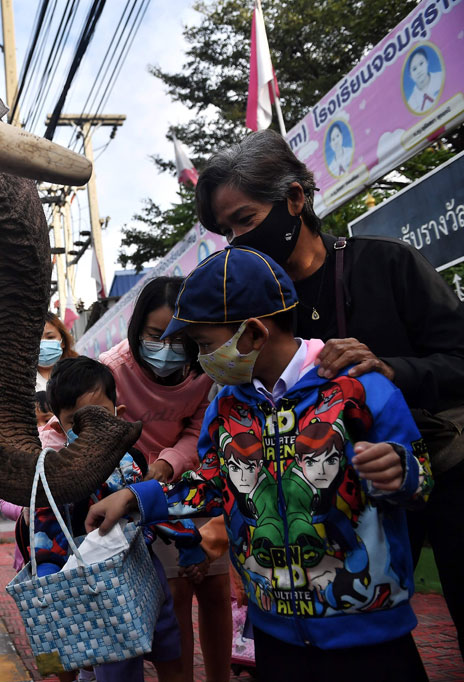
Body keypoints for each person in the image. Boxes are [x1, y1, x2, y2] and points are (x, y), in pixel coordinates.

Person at [87, 246, 433, 681]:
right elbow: (208, 485)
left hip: (370, 633)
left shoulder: (361, 387)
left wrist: (400, 472)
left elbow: (421, 479)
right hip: (274, 633)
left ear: (252, 333)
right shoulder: (225, 409)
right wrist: (135, 498)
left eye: (204, 344)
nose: (199, 359)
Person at [195, 128, 464, 659]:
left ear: (295, 198)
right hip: (336, 506)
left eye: (245, 220)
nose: (238, 240)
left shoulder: (386, 265)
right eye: (227, 232)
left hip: (440, 466)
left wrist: (391, 369)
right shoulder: (256, 305)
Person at [98, 277, 230, 682]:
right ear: (137, 327)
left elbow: (199, 428)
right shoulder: (111, 370)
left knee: (216, 589)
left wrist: (170, 463)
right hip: (140, 496)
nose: (167, 348)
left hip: (193, 484)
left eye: (179, 338)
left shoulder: (204, 367)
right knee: (174, 597)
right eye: (156, 336)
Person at [29, 357, 187, 682]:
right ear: (58, 427)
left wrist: (189, 542)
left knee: (169, 644)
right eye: (76, 422)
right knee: (116, 664)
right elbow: (45, 527)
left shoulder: (134, 459)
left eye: (99, 415)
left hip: (146, 567)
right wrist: (47, 570)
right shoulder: (56, 475)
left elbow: (154, 507)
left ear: (119, 414)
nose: (89, 429)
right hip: (95, 585)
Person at [37, 312, 78, 390]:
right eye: (37, 339)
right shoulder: (19, 378)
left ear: (63, 342)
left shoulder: (80, 373)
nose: (43, 343)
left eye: (50, 337)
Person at [406, 47, 442, 113]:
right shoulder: (411, 103)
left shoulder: (441, 77)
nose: (419, 70)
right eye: (414, 69)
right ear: (410, 75)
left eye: (421, 63)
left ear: (427, 62)